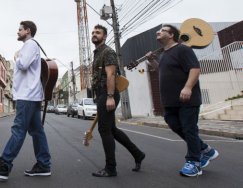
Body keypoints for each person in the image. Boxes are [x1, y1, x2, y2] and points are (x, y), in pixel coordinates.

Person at [145, 24, 218, 177]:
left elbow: (195, 68)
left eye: (162, 30)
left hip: (187, 100)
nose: (158, 32)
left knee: (189, 129)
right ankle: (205, 149)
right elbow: (163, 70)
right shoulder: (164, 54)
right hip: (170, 101)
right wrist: (152, 61)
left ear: (171, 35)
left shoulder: (183, 49)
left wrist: (188, 87)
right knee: (174, 125)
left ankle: (194, 163)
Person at [0, 21, 51, 180]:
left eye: (20, 29)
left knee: (19, 129)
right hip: (32, 95)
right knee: (37, 131)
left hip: (27, 96)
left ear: (28, 31)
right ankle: (44, 164)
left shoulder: (29, 45)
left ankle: (4, 165)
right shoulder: (33, 46)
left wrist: (17, 57)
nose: (17, 32)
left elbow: (24, 64)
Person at [90, 24, 146, 177]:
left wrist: (109, 97)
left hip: (108, 93)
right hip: (102, 93)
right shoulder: (98, 52)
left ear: (105, 36)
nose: (94, 34)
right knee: (112, 129)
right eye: (93, 32)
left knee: (104, 130)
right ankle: (138, 154)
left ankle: (110, 168)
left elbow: (111, 75)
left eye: (98, 32)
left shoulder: (107, 52)